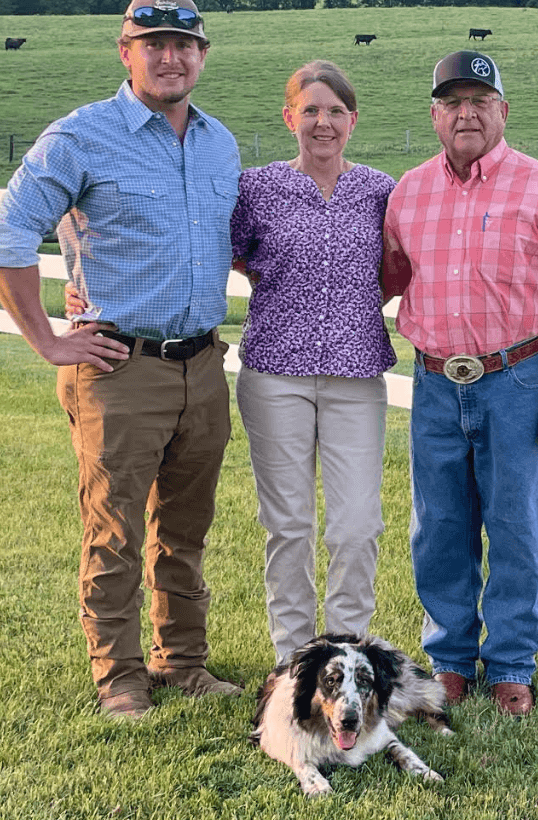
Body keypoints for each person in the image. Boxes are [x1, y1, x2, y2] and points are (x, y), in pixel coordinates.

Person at [0, 0, 243, 721]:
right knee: (116, 528)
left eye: (184, 45)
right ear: (125, 52)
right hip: (118, 368)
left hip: (202, 365)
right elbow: (6, 236)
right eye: (152, 43)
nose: (170, 56)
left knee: (186, 528)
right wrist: (46, 339)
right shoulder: (80, 137)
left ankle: (183, 660)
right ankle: (119, 677)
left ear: (202, 56)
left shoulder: (219, 142)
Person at [382, 51, 538, 717]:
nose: (466, 113)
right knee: (440, 525)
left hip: (518, 381)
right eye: (452, 102)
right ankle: (450, 658)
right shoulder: (408, 193)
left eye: (480, 99)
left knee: (516, 524)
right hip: (433, 383)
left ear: (503, 110)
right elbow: (385, 280)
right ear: (434, 116)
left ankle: (510, 662)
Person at [232, 62, 397, 665]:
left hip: (356, 377)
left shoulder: (380, 190)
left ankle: (347, 650)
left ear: (352, 121)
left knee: (356, 525)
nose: (322, 122)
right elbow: (216, 252)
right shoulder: (256, 188)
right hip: (275, 373)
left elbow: (399, 267)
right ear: (289, 118)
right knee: (289, 524)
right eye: (310, 110)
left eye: (334, 112)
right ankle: (294, 658)